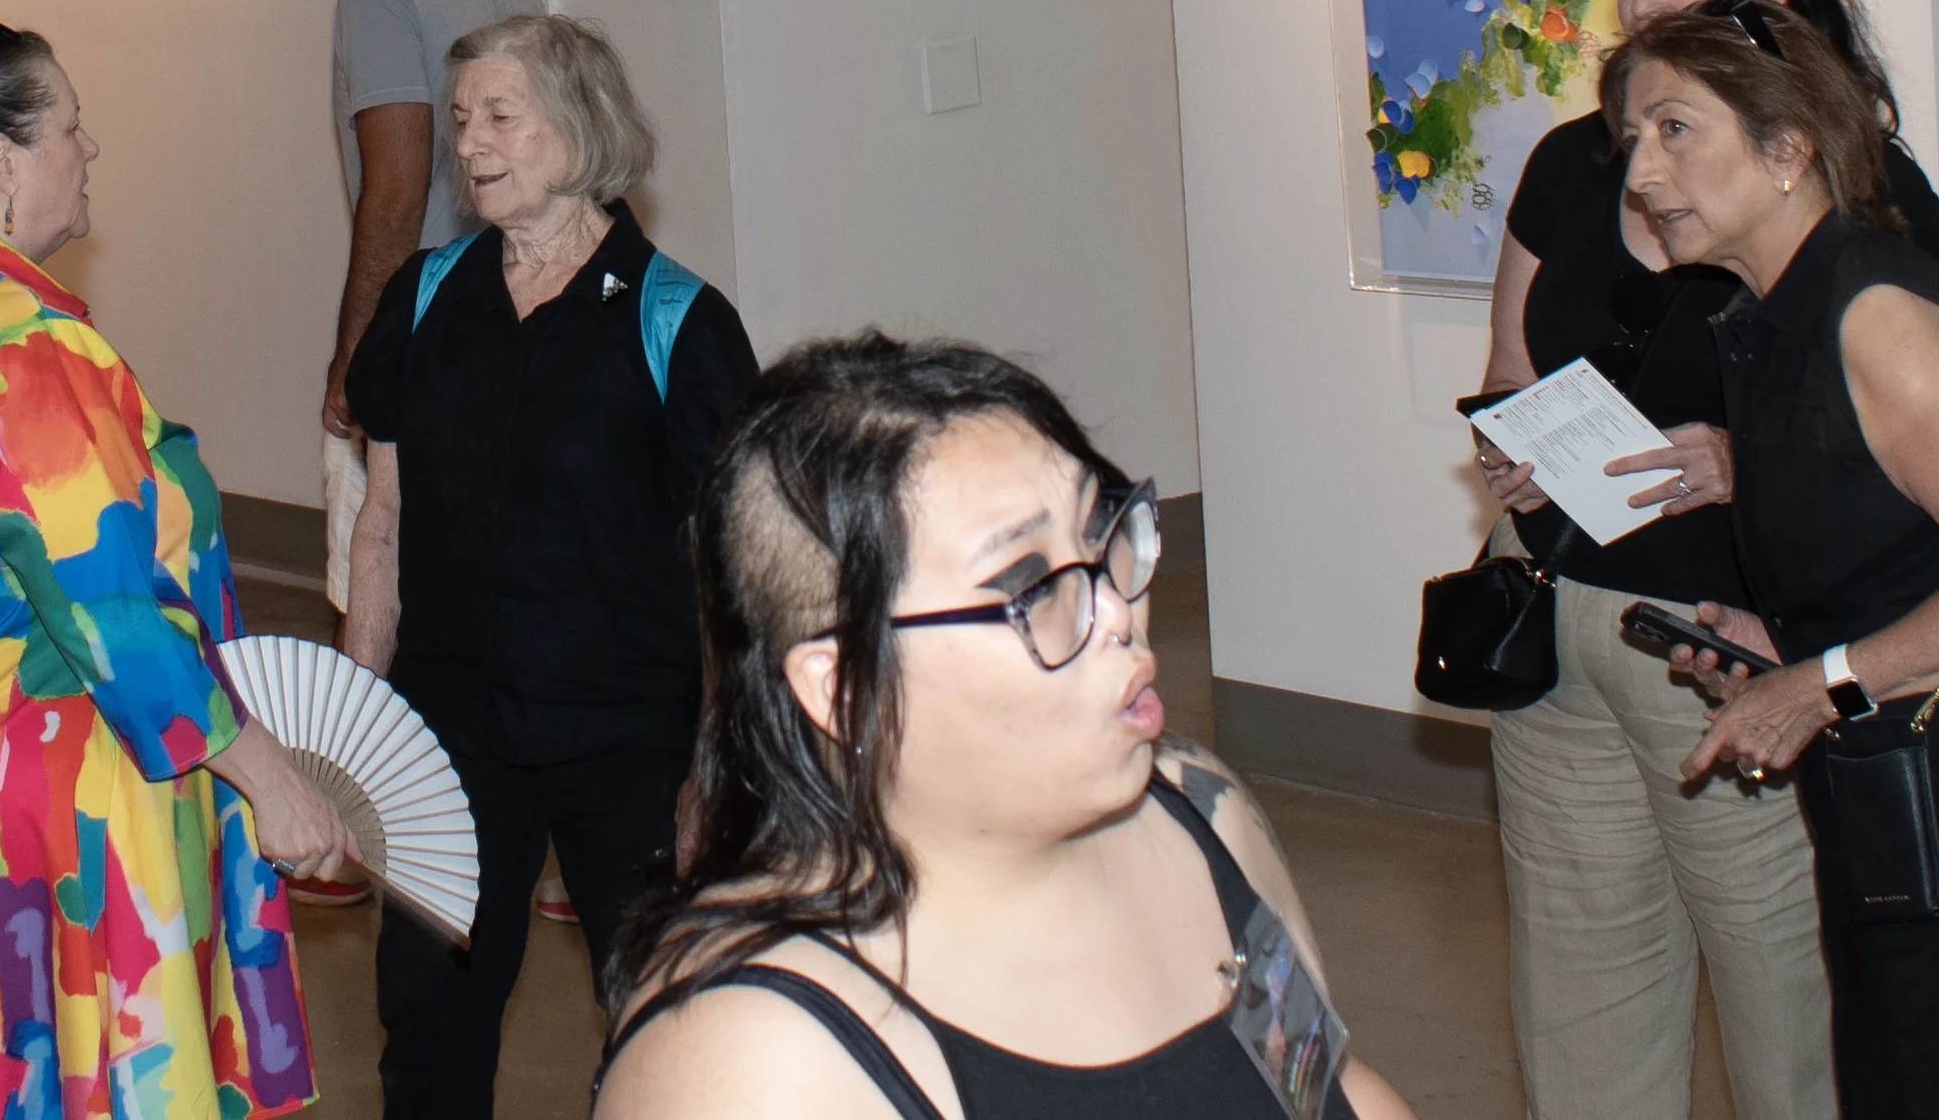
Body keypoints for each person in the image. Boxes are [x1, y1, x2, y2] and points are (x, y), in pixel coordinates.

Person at [600, 333, 1418, 1120]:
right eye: (1028, 583)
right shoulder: (744, 1055)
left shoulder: (1200, 816)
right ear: (846, 688)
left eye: (1098, 533)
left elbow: (1322, 1093)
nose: (1115, 610)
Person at [1472, 0, 1939, 1120]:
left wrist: (1747, 463)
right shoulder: (1569, 165)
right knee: (1581, 1000)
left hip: (1740, 646)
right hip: (1564, 631)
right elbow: (1505, 367)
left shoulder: (1847, 180)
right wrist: (1510, 455)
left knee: (1789, 1008)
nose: (1648, 2)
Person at [0, 0, 343, 1120]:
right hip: (43, 812)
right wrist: (270, 777)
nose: (90, 149)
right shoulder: (24, 344)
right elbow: (112, 618)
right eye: (69, 127)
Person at [1622, 0, 1939, 1120]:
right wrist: (1784, 651)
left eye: (1673, 128)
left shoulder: (1874, 320)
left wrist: (1821, 681)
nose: (1642, 170)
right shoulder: (1773, 322)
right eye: (1632, 136)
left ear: (1787, 146)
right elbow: (1892, 559)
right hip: (1890, 800)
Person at [341, 13, 754, 1115]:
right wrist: (355, 733)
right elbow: (381, 524)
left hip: (623, 734)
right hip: (445, 732)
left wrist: (714, 773)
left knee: (661, 1018)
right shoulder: (423, 300)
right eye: (462, 117)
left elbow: (729, 578)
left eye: (500, 116)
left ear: (578, 128)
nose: (470, 141)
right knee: (427, 1018)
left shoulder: (681, 323)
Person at [297, 0, 543, 441]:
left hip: (435, 322)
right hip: (528, 303)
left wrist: (354, 352)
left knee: (394, 535)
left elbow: (396, 194)